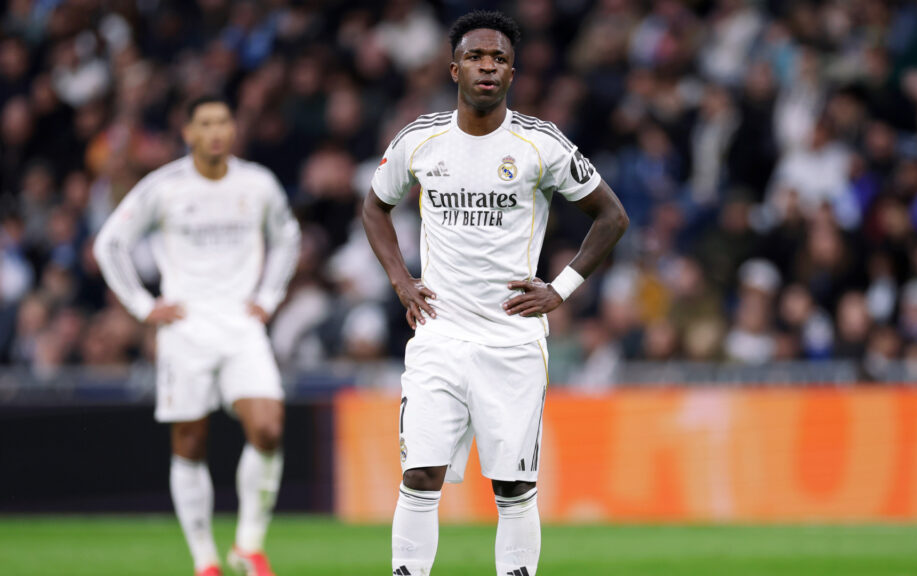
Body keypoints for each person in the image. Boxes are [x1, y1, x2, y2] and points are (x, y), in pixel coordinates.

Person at [362, 11, 629, 576]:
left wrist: (560, 289)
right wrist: (401, 281)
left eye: (499, 59)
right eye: (477, 57)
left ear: (512, 72)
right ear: (454, 68)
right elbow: (375, 206)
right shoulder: (419, 139)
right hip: (439, 335)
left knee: (513, 486)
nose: (487, 66)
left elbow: (612, 216)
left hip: (512, 341)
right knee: (420, 474)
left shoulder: (540, 143)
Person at [93, 95, 300, 576]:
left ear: (233, 130)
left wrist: (269, 296)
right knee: (190, 439)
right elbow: (110, 243)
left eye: (223, 122)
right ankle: (205, 560)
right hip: (185, 328)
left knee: (268, 426)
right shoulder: (164, 186)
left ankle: (248, 547)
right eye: (205, 123)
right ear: (187, 133)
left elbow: (288, 238)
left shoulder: (258, 183)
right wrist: (144, 306)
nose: (215, 131)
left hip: (242, 324)